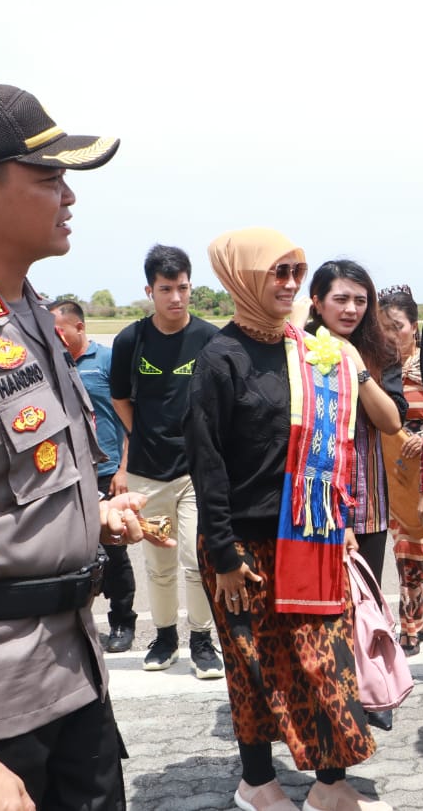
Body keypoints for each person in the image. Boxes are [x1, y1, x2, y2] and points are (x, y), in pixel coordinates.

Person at [0, 83, 156, 809]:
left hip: (73, 684)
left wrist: (86, 520)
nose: (68, 196)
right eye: (48, 178)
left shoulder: (25, 312)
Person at [185, 228, 389, 811]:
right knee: (254, 665)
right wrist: (223, 554)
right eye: (278, 272)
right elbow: (207, 463)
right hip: (242, 546)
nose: (291, 284)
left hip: (310, 535)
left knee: (325, 658)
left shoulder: (310, 348)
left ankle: (330, 783)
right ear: (245, 277)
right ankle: (258, 782)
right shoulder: (219, 359)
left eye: (296, 272)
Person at [110, 244, 223, 678]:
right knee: (158, 566)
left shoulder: (211, 339)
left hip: (195, 471)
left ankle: (201, 640)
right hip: (146, 472)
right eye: (165, 289)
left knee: (197, 561)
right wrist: (143, 434)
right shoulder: (130, 339)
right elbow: (120, 396)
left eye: (182, 288)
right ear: (149, 291)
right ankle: (165, 638)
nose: (176, 297)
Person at [306, 261, 406, 585]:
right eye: (341, 299)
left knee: (364, 606)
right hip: (311, 503)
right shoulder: (297, 348)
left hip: (366, 506)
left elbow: (391, 421)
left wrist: (357, 366)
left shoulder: (382, 349)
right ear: (317, 302)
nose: (351, 309)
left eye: (360, 301)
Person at [50, 298, 136, 653]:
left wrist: (123, 469)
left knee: (114, 552)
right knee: (69, 553)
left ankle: (122, 621)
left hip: (106, 473)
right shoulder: (49, 363)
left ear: (79, 328)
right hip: (66, 475)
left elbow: (130, 419)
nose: (53, 336)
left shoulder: (106, 361)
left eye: (59, 330)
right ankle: (77, 625)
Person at [378, 285, 423, 657]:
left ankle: (421, 613)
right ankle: (411, 624)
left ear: (413, 326)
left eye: (395, 326)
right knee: (407, 550)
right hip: (390, 469)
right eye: (381, 327)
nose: (389, 335)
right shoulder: (376, 368)